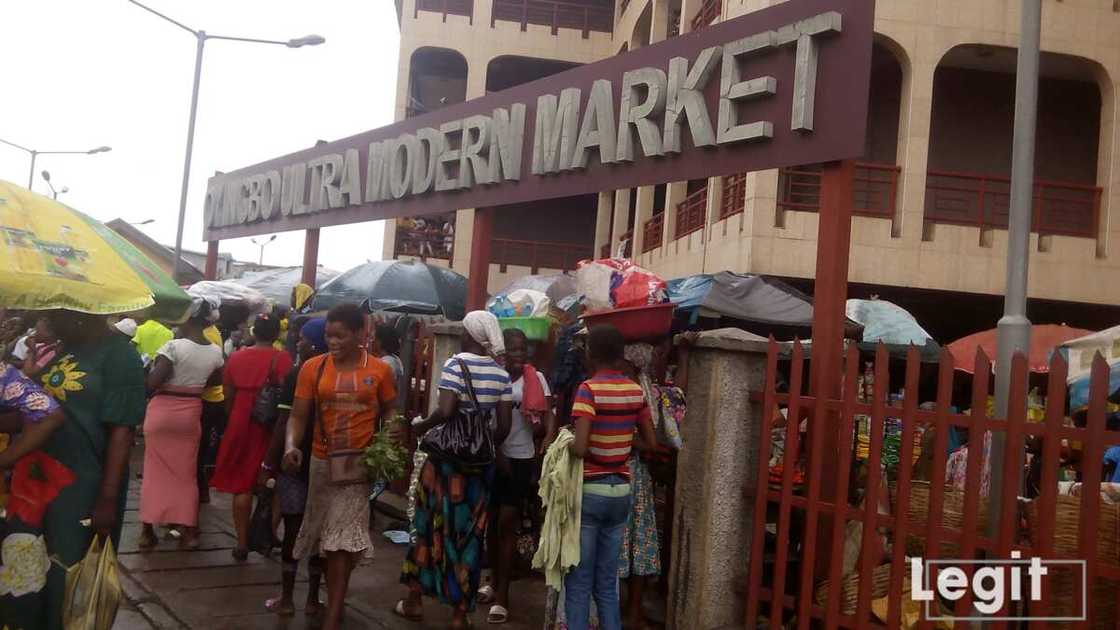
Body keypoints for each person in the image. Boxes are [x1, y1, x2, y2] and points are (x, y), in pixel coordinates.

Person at [3, 309, 146, 630]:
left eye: (54, 317)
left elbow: (122, 430)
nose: (48, 323)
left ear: (80, 314)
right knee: (29, 566)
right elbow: (35, 412)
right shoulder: (62, 349)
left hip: (84, 484)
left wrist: (107, 499)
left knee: (68, 566)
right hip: (37, 480)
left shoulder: (120, 355)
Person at [283, 304, 398, 630]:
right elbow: (298, 416)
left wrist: (389, 437)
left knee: (341, 543)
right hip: (321, 464)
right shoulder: (312, 368)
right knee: (326, 539)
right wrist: (291, 445)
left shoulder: (380, 370)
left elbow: (391, 410)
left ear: (360, 334)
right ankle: (333, 602)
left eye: (340, 336)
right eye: (329, 336)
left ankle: (332, 615)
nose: (332, 342)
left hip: (359, 467)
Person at [396, 310, 513, 630]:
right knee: (471, 535)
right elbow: (503, 427)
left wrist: (422, 425)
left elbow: (446, 410)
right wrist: (480, 444)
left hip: (444, 466)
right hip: (478, 471)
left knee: (427, 526)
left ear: (471, 335)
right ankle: (460, 615)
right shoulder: (501, 374)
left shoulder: (455, 364)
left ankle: (414, 600)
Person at [565, 325, 656, 630]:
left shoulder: (587, 390)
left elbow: (580, 448)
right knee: (606, 583)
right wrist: (623, 441)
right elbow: (651, 443)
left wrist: (565, 442)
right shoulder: (635, 391)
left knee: (579, 582)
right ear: (620, 355)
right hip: (621, 492)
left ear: (590, 353)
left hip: (591, 491)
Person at [138, 298, 225, 550]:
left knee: (154, 471)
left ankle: (147, 532)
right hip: (190, 413)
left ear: (188, 318)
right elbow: (216, 380)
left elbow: (152, 383)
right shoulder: (215, 352)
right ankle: (189, 533)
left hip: (162, 411)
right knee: (186, 475)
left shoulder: (173, 347)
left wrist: (147, 370)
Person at [481, 327, 552, 624]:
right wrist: (496, 454)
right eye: (513, 349)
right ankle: (493, 580)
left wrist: (546, 440)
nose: (519, 354)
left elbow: (548, 414)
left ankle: (503, 596)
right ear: (502, 351)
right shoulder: (493, 377)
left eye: (523, 349)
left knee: (507, 523)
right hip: (491, 456)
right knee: (491, 522)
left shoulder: (536, 379)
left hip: (521, 458)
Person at [211, 314, 292, 560]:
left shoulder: (237, 357)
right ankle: (269, 534)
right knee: (274, 481)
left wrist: (234, 417)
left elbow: (227, 393)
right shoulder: (283, 358)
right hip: (271, 425)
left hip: (241, 420)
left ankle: (242, 541)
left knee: (242, 484)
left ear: (254, 332)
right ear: (277, 333)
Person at [261, 316, 326, 617]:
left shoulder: (299, 373)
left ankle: (287, 598)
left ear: (315, 344)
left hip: (295, 464)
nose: (299, 343)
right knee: (319, 534)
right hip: (324, 464)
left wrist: (268, 463)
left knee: (293, 528)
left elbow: (284, 421)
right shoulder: (337, 375)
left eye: (304, 339)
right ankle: (312, 598)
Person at [198, 320, 227, 504]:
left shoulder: (206, 335)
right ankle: (202, 489)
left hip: (207, 398)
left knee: (200, 448)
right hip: (214, 397)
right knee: (203, 445)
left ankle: (202, 489)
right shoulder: (213, 330)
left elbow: (214, 373)